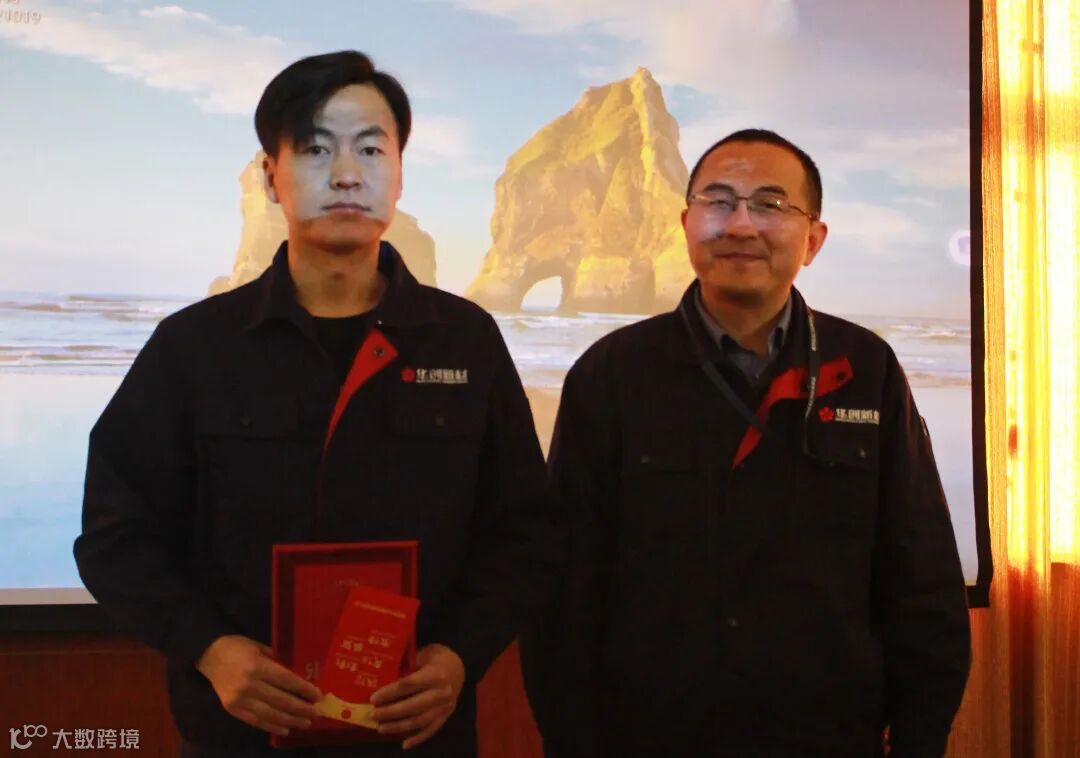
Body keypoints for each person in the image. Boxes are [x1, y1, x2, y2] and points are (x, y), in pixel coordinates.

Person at [75, 50, 559, 757]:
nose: (346, 174)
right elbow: (115, 536)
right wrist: (211, 649)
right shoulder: (194, 347)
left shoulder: (466, 340)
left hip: (417, 735)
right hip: (241, 733)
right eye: (315, 148)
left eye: (371, 149)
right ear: (270, 176)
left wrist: (461, 654)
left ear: (400, 175)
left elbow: (526, 533)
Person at [521, 129, 971, 757]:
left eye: (769, 204)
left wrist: (921, 739)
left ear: (813, 239)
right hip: (650, 735)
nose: (740, 224)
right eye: (719, 201)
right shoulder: (612, 374)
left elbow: (922, 574)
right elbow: (563, 590)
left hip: (827, 736)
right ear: (686, 223)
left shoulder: (865, 368)